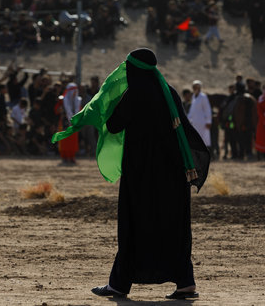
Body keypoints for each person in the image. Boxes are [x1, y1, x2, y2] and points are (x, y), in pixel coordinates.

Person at [52, 48, 210, 300]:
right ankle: (185, 282)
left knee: (134, 226)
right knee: (174, 226)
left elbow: (114, 124)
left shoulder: (135, 93)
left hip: (142, 175)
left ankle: (119, 284)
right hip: (173, 175)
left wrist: (107, 103)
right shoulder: (169, 92)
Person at [56, 81, 81, 164]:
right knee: (64, 141)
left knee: (73, 142)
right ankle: (64, 157)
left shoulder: (78, 100)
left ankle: (72, 157)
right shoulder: (62, 100)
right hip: (63, 123)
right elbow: (56, 110)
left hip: (74, 124)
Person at [187, 80, 212, 152]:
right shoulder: (194, 97)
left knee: (204, 139)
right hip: (195, 122)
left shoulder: (203, 97)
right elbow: (192, 110)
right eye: (194, 87)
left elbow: (207, 109)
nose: (195, 89)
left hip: (202, 122)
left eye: (197, 87)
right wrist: (188, 119)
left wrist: (208, 121)